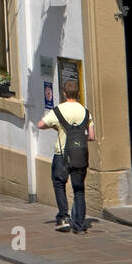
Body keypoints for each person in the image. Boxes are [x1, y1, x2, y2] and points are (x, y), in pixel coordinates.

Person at [37, 78, 95, 234]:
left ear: (64, 93)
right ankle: (80, 225)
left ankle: (63, 217)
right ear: (77, 93)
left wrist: (57, 128)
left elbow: (40, 124)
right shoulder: (85, 111)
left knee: (59, 183)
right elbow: (91, 136)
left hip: (62, 153)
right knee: (79, 190)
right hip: (79, 154)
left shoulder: (58, 110)